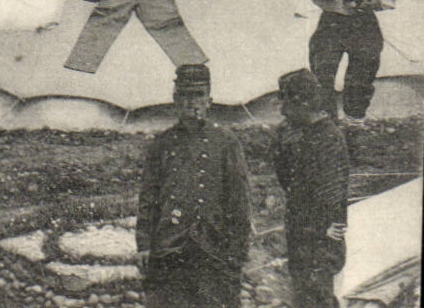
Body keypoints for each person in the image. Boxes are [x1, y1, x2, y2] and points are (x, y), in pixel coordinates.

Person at [136, 64, 251, 308]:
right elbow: (148, 197)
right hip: (170, 247)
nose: (192, 103)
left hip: (213, 248)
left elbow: (240, 201)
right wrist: (144, 244)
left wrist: (237, 251)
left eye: (198, 95)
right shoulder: (162, 144)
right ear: (175, 100)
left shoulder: (226, 142)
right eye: (186, 96)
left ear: (209, 100)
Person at [272, 69, 349, 308]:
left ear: (304, 104)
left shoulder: (328, 138)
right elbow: (288, 181)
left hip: (319, 239)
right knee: (305, 295)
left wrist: (320, 228)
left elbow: (330, 196)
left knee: (317, 298)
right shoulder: (297, 135)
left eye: (287, 104)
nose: (283, 111)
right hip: (303, 234)